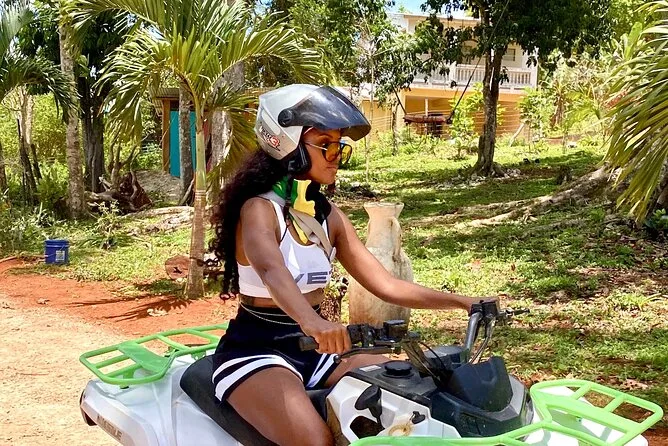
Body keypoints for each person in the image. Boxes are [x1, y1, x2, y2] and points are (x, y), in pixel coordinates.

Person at [209, 84, 492, 446]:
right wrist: (312, 321)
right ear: (286, 143)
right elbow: (271, 270)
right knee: (316, 442)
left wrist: (464, 303)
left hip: (320, 350)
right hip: (256, 349)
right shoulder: (259, 210)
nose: (335, 155)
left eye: (339, 146)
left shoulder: (329, 218)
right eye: (324, 144)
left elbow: (385, 284)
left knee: (411, 396)